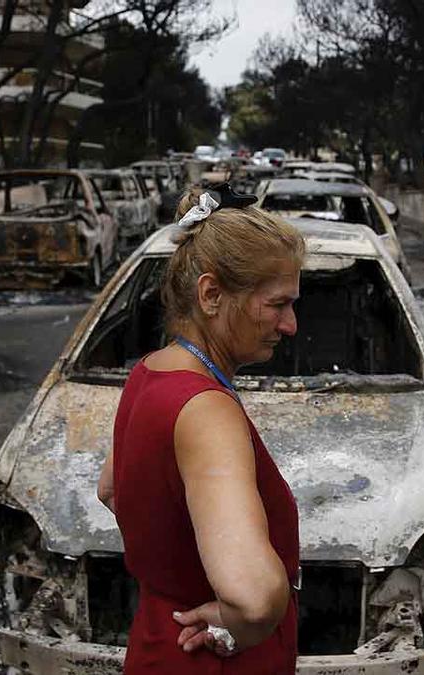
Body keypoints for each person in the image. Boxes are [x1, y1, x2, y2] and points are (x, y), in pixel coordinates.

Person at [97, 184, 305, 673]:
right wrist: (248, 625)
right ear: (211, 294)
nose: (291, 324)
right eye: (277, 304)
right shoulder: (207, 411)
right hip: (207, 661)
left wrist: (172, 563)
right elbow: (253, 598)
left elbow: (110, 488)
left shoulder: (150, 371)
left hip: (157, 639)